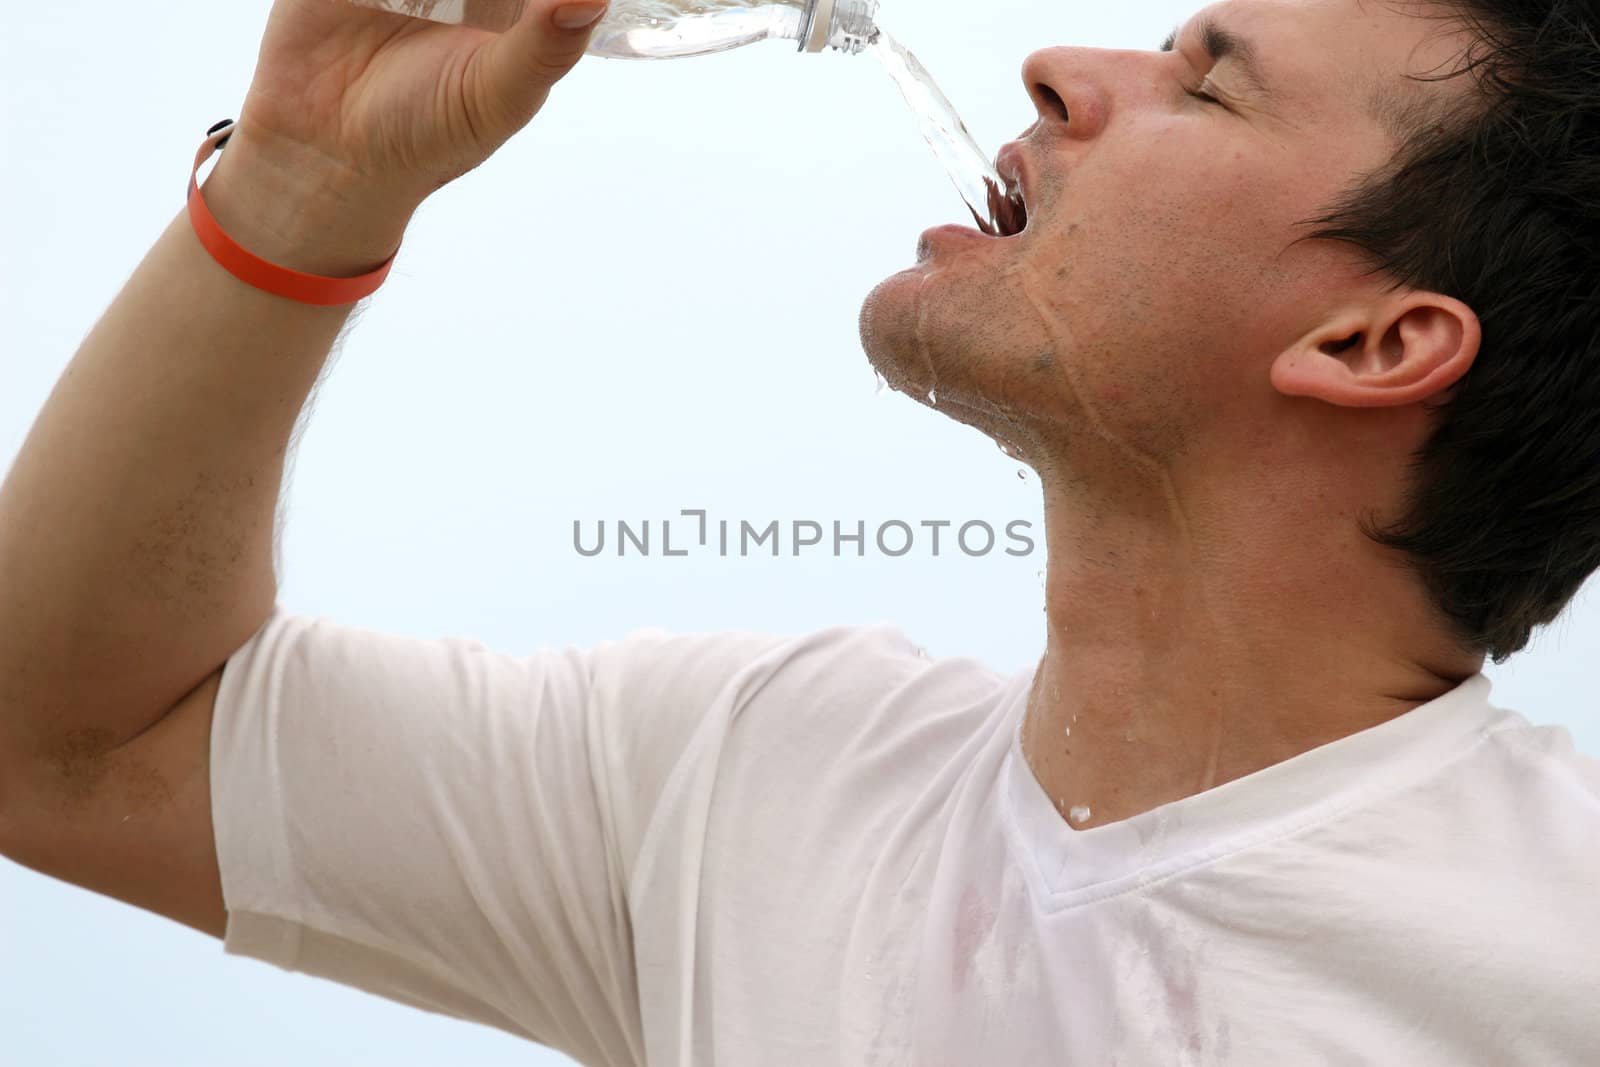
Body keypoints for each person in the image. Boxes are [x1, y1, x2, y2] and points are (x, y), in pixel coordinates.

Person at [2, 0, 1596, 1061]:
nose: (1062, 69)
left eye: (1207, 85)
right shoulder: (750, 772)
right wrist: (300, 180)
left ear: (1374, 344)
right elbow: (66, 745)